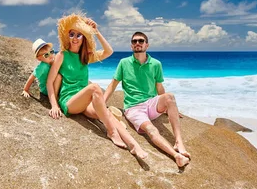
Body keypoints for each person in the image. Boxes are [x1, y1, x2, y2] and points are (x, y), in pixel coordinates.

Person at [46, 13, 148, 159]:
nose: (75, 38)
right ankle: (111, 132)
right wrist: (54, 105)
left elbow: (109, 52)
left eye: (79, 35)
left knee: (107, 114)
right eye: (72, 34)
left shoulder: (85, 56)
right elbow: (50, 81)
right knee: (94, 87)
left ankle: (134, 146)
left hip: (84, 101)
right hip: (70, 101)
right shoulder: (62, 55)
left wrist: (97, 32)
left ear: (83, 39)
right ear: (67, 36)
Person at [103, 32, 191, 168]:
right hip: (133, 108)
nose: (137, 43)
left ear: (147, 45)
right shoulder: (124, 63)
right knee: (152, 130)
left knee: (170, 97)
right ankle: (176, 156)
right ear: (131, 45)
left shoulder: (156, 64)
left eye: (141, 41)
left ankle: (179, 142)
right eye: (134, 41)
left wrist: (169, 107)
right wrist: (101, 104)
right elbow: (113, 84)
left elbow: (159, 87)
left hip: (151, 103)